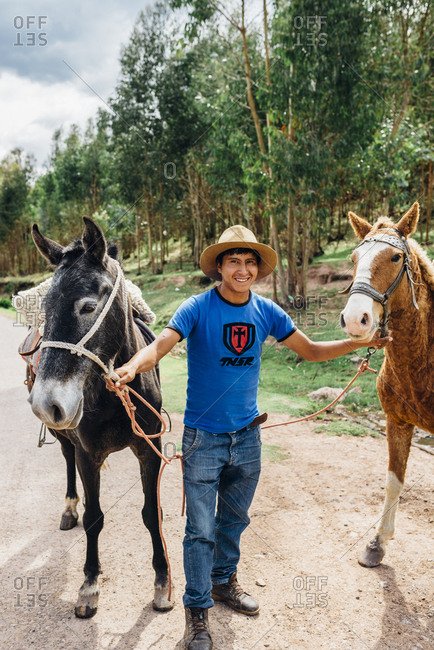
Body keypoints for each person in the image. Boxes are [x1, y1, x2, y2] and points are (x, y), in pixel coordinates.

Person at [114, 225, 390, 650]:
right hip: (203, 439)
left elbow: (311, 350)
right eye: (233, 262)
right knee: (200, 530)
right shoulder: (197, 308)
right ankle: (197, 614)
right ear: (219, 268)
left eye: (249, 262)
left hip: (248, 438)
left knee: (234, 522)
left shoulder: (267, 312)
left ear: (257, 269)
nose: (242, 269)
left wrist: (364, 342)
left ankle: (224, 583)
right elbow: (161, 345)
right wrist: (133, 366)